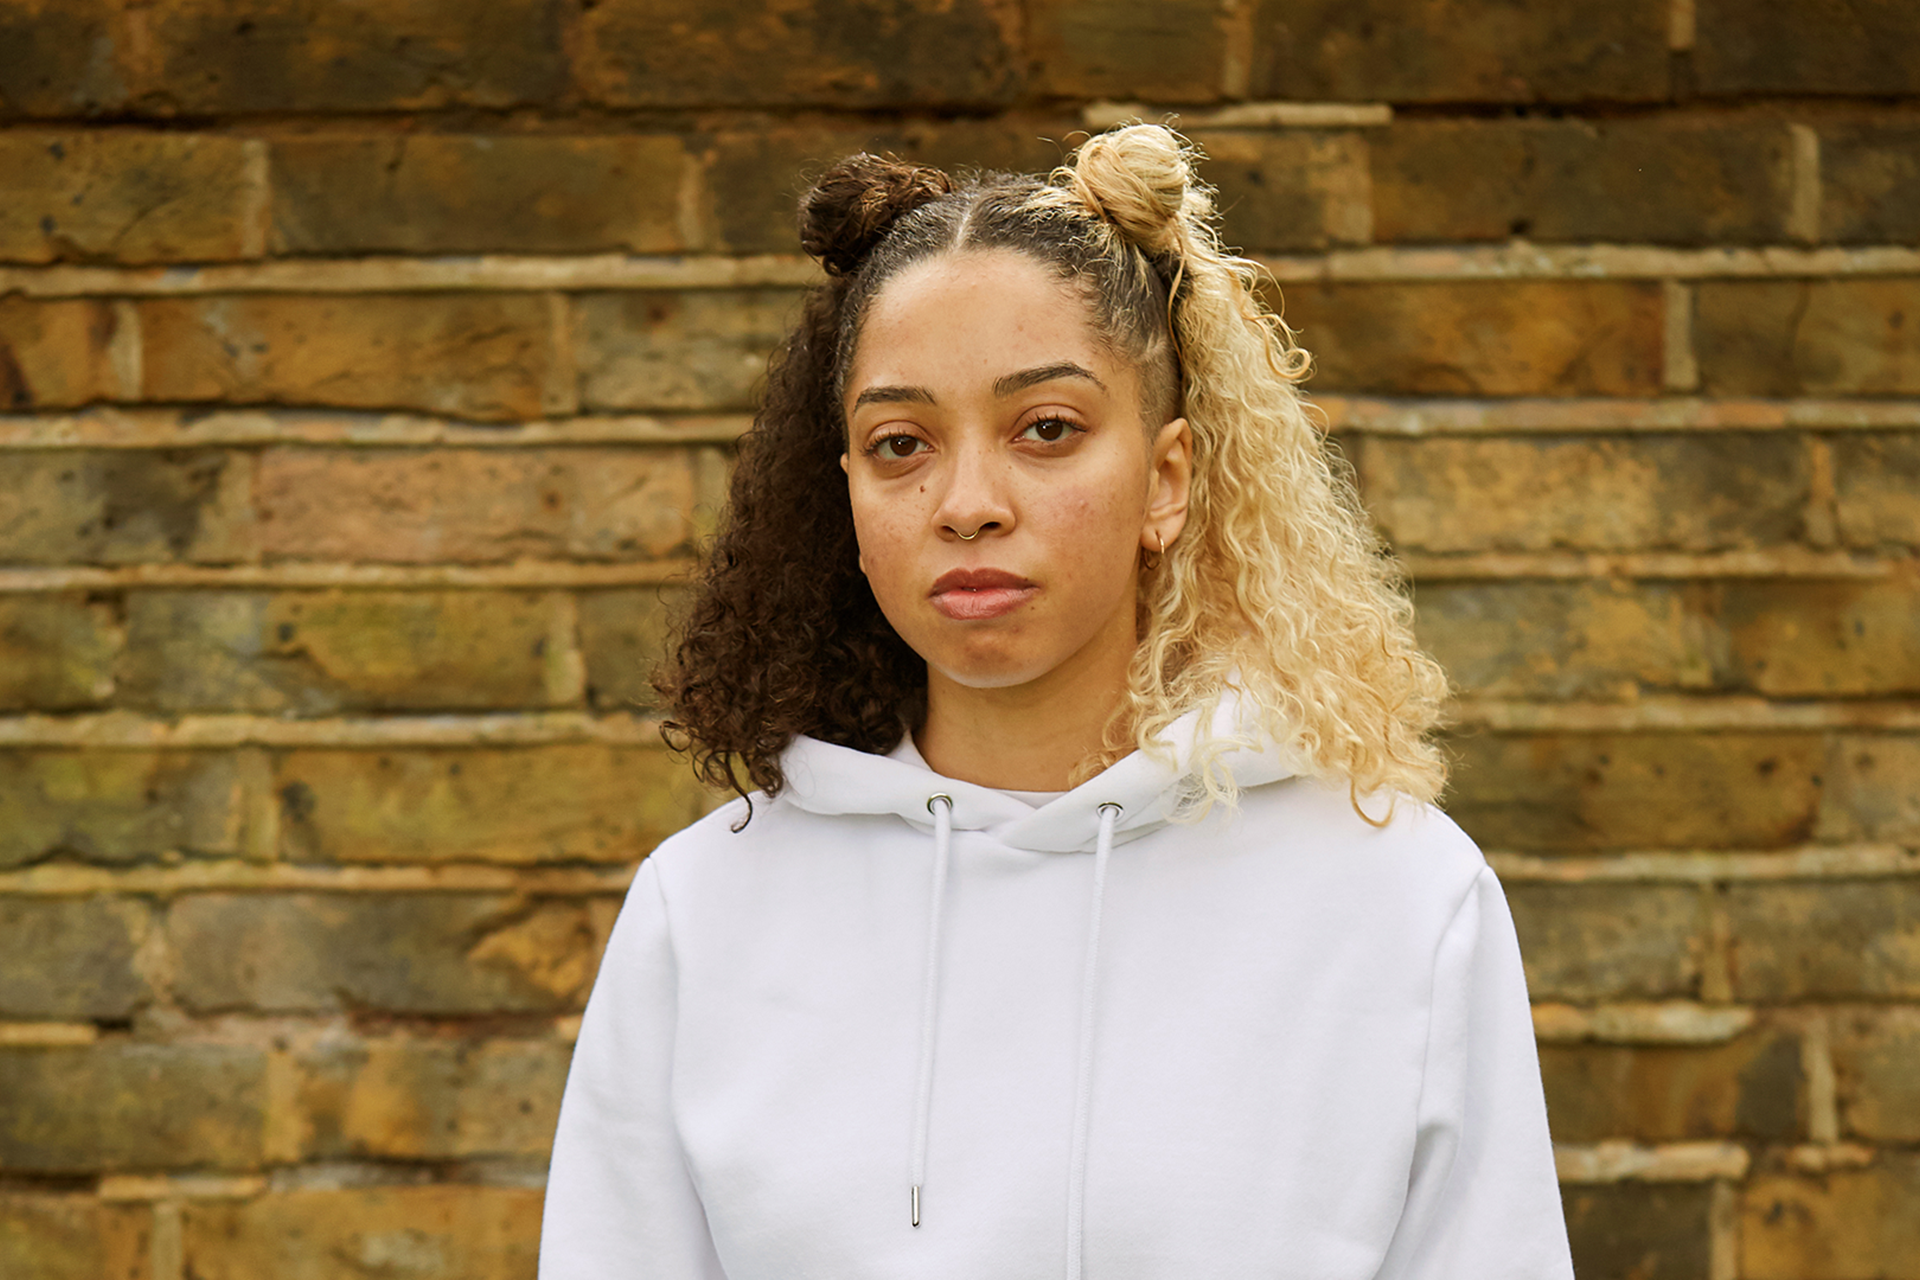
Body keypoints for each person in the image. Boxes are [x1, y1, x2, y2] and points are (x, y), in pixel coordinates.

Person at [539, 124, 1574, 1279]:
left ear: (1166, 478)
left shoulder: (1393, 894)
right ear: (849, 494)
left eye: (1047, 429)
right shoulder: (706, 911)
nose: (967, 501)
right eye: (901, 442)